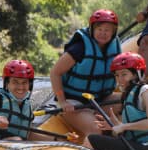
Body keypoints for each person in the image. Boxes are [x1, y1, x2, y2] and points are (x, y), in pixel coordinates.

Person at [50, 9, 122, 139]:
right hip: (74, 103)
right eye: (99, 29)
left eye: (107, 30)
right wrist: (62, 102)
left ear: (113, 32)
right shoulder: (80, 48)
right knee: (96, 129)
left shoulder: (114, 48)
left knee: (127, 102)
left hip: (100, 101)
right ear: (92, 29)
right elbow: (55, 73)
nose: (103, 33)